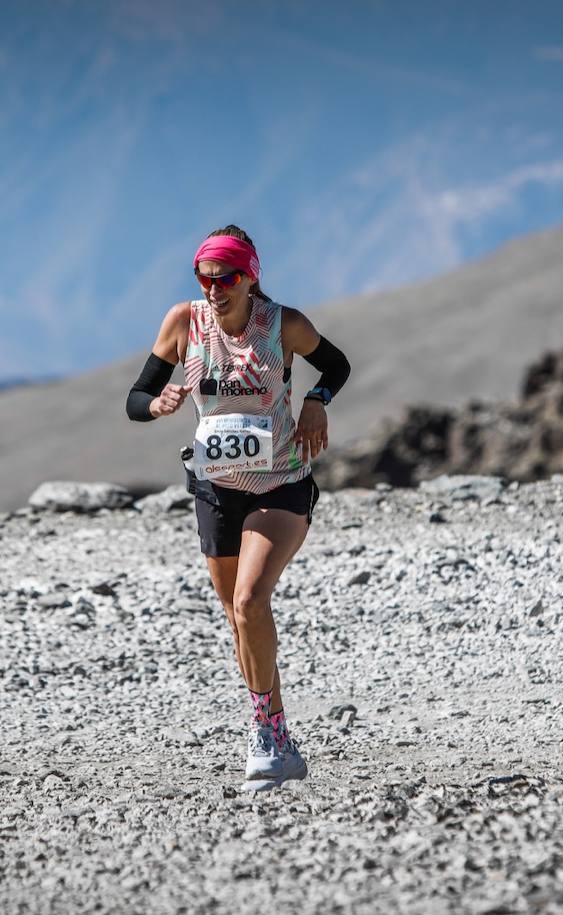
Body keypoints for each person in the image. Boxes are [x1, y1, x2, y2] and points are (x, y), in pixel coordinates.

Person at [126, 225, 350, 790]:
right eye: (205, 277)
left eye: (226, 278)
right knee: (237, 618)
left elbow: (337, 365)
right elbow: (134, 399)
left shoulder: (283, 325)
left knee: (251, 601)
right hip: (214, 488)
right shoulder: (183, 323)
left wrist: (315, 402)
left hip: (280, 483)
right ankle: (273, 723)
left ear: (251, 277)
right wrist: (160, 402)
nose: (214, 288)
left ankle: (268, 734)